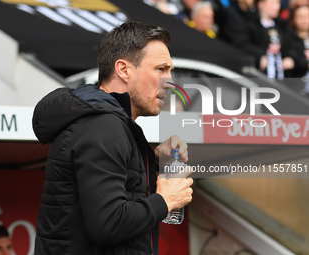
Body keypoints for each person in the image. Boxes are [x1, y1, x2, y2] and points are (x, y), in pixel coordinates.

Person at [32, 21, 193, 255]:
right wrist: (165, 200)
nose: (170, 82)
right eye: (161, 69)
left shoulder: (110, 123)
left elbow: (122, 198)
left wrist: (153, 162)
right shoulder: (103, 126)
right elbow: (108, 223)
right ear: (123, 70)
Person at [233, 0, 295, 79]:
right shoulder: (249, 24)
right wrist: (259, 55)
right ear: (262, 4)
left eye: (279, 3)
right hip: (259, 76)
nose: (278, 6)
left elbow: (291, 46)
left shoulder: (282, 26)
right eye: (274, 3)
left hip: (281, 76)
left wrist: (291, 58)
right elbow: (240, 45)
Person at [287, 5, 309, 95]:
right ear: (293, 19)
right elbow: (291, 57)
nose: (304, 20)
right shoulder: (287, 39)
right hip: (296, 91)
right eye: (300, 17)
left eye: (307, 16)